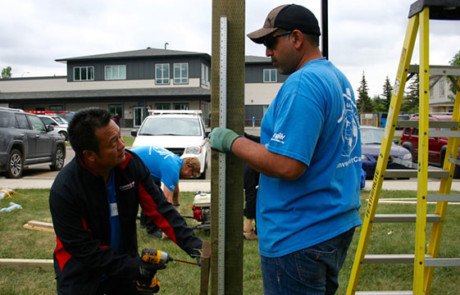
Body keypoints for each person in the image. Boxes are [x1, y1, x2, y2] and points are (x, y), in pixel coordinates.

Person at [209, 4, 362, 294]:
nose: (267, 52)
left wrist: (233, 141)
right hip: (332, 223)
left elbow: (287, 164)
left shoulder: (303, 84)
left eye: (270, 42)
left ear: (295, 38)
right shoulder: (337, 79)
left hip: (300, 234)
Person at [49, 108, 202, 294]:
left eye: (120, 137)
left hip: (123, 262)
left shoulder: (130, 164)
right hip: (80, 270)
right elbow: (82, 248)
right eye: (114, 142)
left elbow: (161, 210)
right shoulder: (66, 189)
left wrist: (196, 247)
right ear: (90, 155)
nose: (122, 145)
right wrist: (134, 268)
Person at [131, 145, 201, 238]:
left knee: (153, 188)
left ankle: (145, 222)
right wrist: (170, 226)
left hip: (139, 162)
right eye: (191, 175)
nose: (189, 177)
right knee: (156, 197)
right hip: (132, 163)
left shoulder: (176, 162)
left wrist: (177, 207)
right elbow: (167, 200)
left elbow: (175, 190)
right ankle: (152, 230)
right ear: (189, 167)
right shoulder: (172, 169)